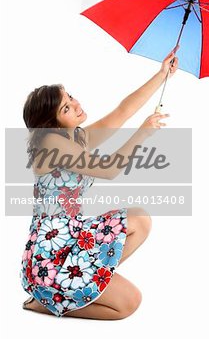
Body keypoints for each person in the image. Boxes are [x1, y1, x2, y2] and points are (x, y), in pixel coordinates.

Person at [20, 48, 179, 320]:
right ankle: (51, 299)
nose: (75, 104)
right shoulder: (51, 143)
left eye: (69, 97)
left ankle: (79, 286)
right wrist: (142, 134)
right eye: (66, 108)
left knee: (139, 219)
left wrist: (161, 74)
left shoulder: (74, 137)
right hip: (51, 258)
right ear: (51, 123)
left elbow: (122, 111)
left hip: (73, 238)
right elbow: (108, 170)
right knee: (129, 303)